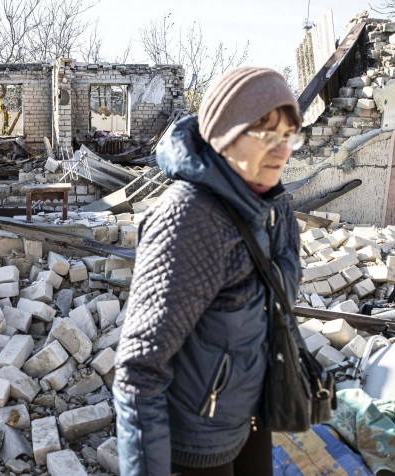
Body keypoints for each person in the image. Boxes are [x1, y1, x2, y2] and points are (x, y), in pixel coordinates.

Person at [113, 67, 305, 476]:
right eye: (264, 133)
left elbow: (280, 294)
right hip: (197, 440)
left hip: (252, 414)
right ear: (224, 134)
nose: (281, 150)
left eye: (288, 135)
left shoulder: (273, 204)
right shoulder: (189, 218)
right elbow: (138, 370)